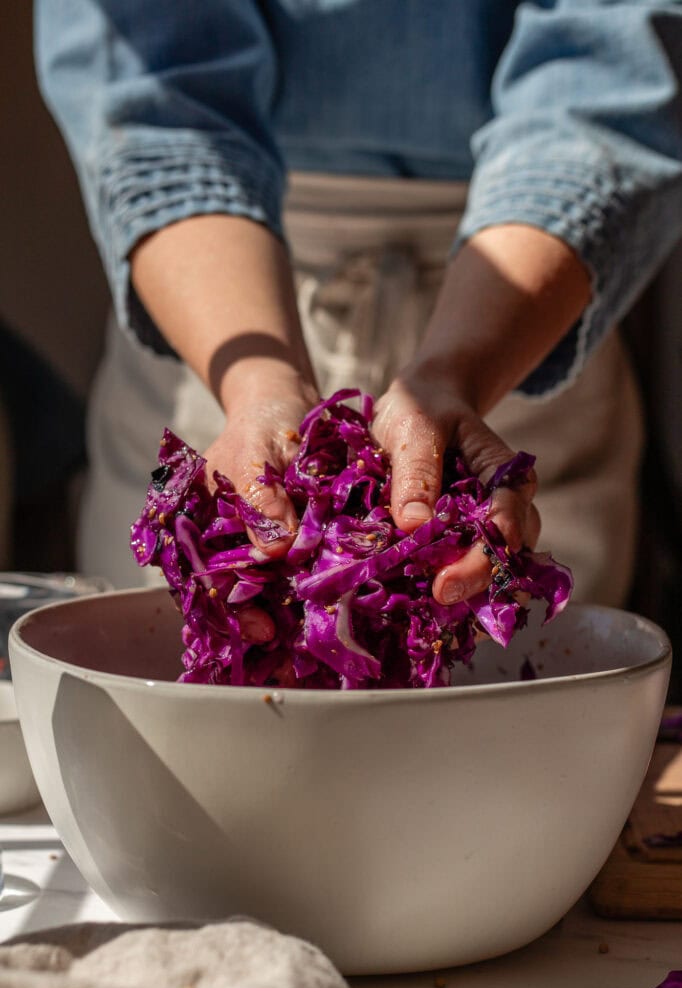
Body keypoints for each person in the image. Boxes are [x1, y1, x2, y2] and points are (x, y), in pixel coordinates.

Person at [35, 1, 682, 601]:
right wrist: (261, 384)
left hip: (522, 298)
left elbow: (613, 71)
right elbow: (156, 96)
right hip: (215, 289)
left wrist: (458, 369)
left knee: (524, 700)